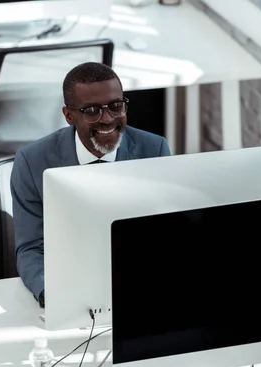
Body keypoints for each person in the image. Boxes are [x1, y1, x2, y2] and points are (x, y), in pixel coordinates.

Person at [11, 62, 171, 306]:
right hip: (70, 283)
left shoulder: (154, 149)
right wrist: (51, 293)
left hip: (137, 283)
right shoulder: (32, 162)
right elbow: (31, 248)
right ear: (68, 116)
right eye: (91, 111)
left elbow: (165, 232)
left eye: (116, 106)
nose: (107, 119)